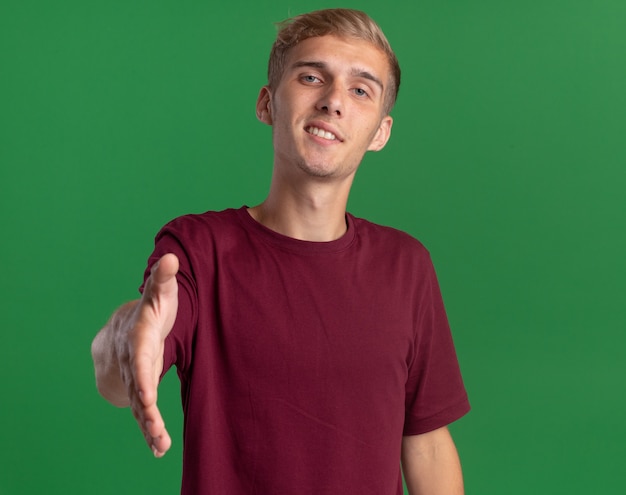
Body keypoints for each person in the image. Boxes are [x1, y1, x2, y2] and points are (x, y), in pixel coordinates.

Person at [91, 8, 470, 495]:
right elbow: (118, 373)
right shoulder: (198, 250)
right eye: (312, 76)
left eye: (360, 90)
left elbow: (427, 443)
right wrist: (126, 333)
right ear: (267, 104)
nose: (333, 100)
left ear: (380, 132)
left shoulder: (407, 265)